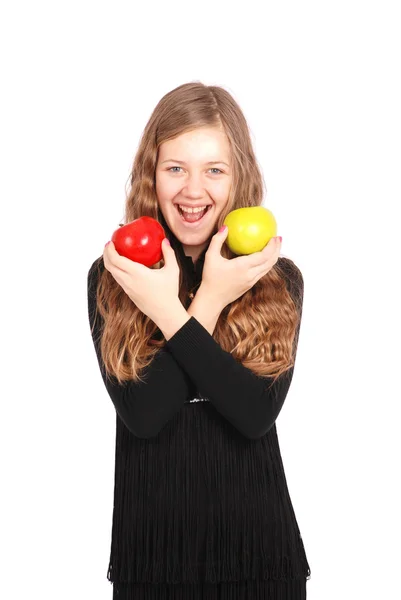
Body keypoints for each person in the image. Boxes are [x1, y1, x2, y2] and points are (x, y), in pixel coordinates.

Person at [87, 82, 311, 599]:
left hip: (262, 564)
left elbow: (255, 415)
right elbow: (144, 415)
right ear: (152, 173)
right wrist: (201, 302)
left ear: (239, 179)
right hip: (151, 567)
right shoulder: (113, 278)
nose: (193, 190)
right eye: (175, 168)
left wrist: (191, 304)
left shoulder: (280, 281)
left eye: (214, 169)